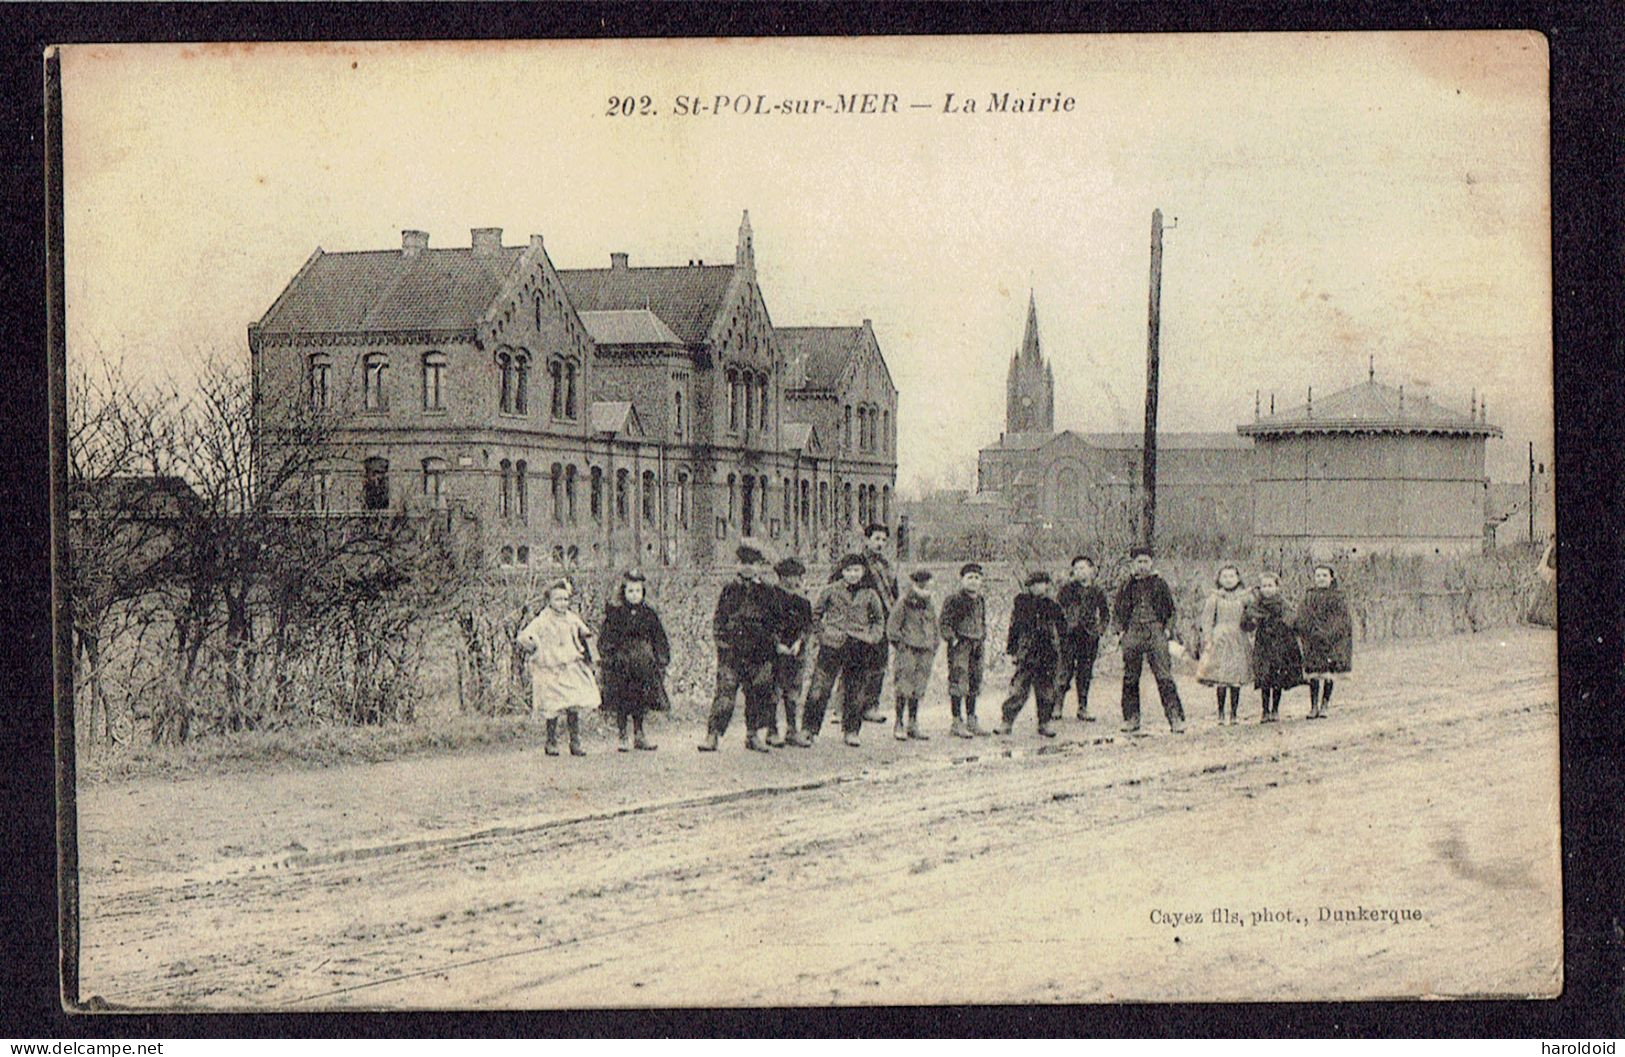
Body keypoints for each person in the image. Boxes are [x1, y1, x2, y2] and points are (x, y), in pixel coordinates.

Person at [699, 545, 780, 753]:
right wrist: (723, 645)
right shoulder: (730, 590)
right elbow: (719, 620)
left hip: (758, 653)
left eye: (752, 564)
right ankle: (713, 735)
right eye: (743, 563)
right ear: (737, 565)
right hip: (732, 652)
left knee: (757, 693)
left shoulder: (768, 591)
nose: (747, 568)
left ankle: (753, 735)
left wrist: (770, 646)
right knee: (725, 694)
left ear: (759, 566)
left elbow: (775, 622)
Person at [803, 553, 887, 747]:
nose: (852, 574)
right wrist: (823, 635)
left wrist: (872, 638)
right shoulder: (831, 591)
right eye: (848, 570)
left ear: (863, 571)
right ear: (841, 572)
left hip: (859, 646)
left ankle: (851, 730)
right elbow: (815, 615)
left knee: (856, 690)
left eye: (856, 570)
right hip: (832, 645)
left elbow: (878, 620)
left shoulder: (870, 594)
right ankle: (809, 729)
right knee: (819, 687)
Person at [516, 578, 600, 757]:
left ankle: (575, 741)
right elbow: (524, 637)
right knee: (552, 704)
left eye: (565, 599)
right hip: (551, 667)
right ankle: (551, 741)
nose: (562, 603)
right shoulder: (543, 620)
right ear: (549, 601)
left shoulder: (571, 618)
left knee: (573, 702)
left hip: (570, 664)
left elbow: (585, 633)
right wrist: (535, 647)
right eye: (558, 599)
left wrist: (589, 653)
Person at [1112, 545, 1187, 734]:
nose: (1142, 565)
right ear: (1133, 563)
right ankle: (1131, 718)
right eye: (1139, 562)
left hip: (1155, 632)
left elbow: (1171, 611)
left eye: (1146, 561)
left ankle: (1175, 718)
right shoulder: (1126, 585)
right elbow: (1118, 611)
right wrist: (1120, 631)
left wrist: (1168, 630)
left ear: (1151, 562)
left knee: (1164, 676)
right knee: (1130, 677)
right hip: (1133, 632)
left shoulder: (1160, 584)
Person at [830, 523, 899, 724]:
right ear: (866, 540)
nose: (880, 543)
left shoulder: (886, 566)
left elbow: (894, 594)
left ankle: (870, 706)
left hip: (881, 621)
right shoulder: (855, 562)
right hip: (858, 621)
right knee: (851, 664)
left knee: (878, 664)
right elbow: (835, 586)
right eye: (876, 539)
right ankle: (841, 709)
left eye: (884, 540)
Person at [597, 570, 670, 752]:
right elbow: (606, 638)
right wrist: (609, 657)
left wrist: (661, 659)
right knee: (622, 700)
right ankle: (622, 735)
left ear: (643, 592)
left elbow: (659, 638)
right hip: (622, 665)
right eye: (630, 591)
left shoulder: (649, 614)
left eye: (638, 591)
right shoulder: (616, 614)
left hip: (643, 664)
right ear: (624, 592)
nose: (634, 595)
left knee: (640, 699)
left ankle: (639, 734)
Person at [997, 570, 1068, 737]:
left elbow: (1063, 629)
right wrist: (1013, 650)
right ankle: (1006, 722)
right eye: (1033, 584)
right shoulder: (1022, 604)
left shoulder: (1053, 606)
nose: (1037, 587)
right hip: (1026, 654)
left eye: (1041, 584)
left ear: (1047, 586)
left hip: (1047, 654)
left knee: (1046, 691)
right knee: (1018, 690)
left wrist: (1062, 651)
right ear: (1028, 586)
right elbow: (1014, 628)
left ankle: (1044, 723)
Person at [886, 568, 939, 741]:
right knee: (904, 686)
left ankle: (913, 723)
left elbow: (934, 627)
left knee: (918, 687)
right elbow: (892, 628)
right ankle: (899, 722)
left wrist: (933, 645)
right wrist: (902, 646)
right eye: (924, 586)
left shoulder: (930, 604)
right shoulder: (904, 603)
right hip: (908, 650)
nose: (927, 590)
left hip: (925, 651)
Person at [1195, 564, 1253, 726]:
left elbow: (1252, 616)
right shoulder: (1214, 598)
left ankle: (1234, 714)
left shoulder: (1244, 597)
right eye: (1225, 576)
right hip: (1220, 638)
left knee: (1235, 677)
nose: (1228, 580)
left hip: (1238, 638)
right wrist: (1207, 638)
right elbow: (1207, 620)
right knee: (1221, 677)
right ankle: (1220, 714)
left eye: (1232, 576)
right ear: (1219, 579)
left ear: (1238, 578)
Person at [1055, 555, 1111, 721]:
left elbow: (1105, 613)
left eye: (1083, 568)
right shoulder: (1067, 589)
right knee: (1064, 670)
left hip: (1089, 637)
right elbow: (1057, 610)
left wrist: (1099, 630)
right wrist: (1062, 628)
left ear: (1091, 570)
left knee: (1085, 672)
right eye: (1076, 569)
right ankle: (1057, 706)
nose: (1079, 572)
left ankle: (1082, 707)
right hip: (1069, 636)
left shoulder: (1097, 591)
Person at [939, 562, 990, 738]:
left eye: (977, 578)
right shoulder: (954, 599)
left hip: (977, 645)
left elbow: (982, 620)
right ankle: (956, 721)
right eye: (970, 577)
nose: (973, 581)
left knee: (975, 681)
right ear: (962, 580)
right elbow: (944, 622)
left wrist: (983, 635)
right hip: (960, 645)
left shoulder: (980, 600)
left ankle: (971, 719)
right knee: (959, 681)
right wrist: (952, 639)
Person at [1296, 564, 1353, 719]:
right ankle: (1313, 706)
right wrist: (1308, 630)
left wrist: (1329, 633)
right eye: (1318, 576)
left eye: (1324, 576)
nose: (1321, 579)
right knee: (1314, 673)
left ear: (1331, 578)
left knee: (1328, 673)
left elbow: (1341, 619)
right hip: (1313, 640)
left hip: (1331, 640)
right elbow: (1302, 616)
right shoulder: (1309, 596)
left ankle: (1325, 704)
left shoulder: (1337, 597)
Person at [1244, 571, 1303, 723]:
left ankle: (1275, 709)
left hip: (1279, 643)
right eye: (1264, 586)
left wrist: (1287, 625)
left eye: (1270, 586)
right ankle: (1265, 710)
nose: (1267, 589)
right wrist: (1251, 620)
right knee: (1264, 676)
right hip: (1263, 643)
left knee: (1277, 676)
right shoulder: (1257, 604)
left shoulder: (1282, 603)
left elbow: (1292, 619)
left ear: (1277, 587)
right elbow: (1248, 622)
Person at [768, 557, 815, 747]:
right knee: (774, 691)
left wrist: (799, 642)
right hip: (775, 651)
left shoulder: (803, 601)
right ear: (780, 577)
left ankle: (792, 730)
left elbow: (807, 626)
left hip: (796, 652)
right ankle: (772, 730)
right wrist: (776, 644)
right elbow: (767, 625)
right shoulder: (770, 597)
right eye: (788, 576)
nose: (793, 580)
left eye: (796, 576)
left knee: (794, 691)